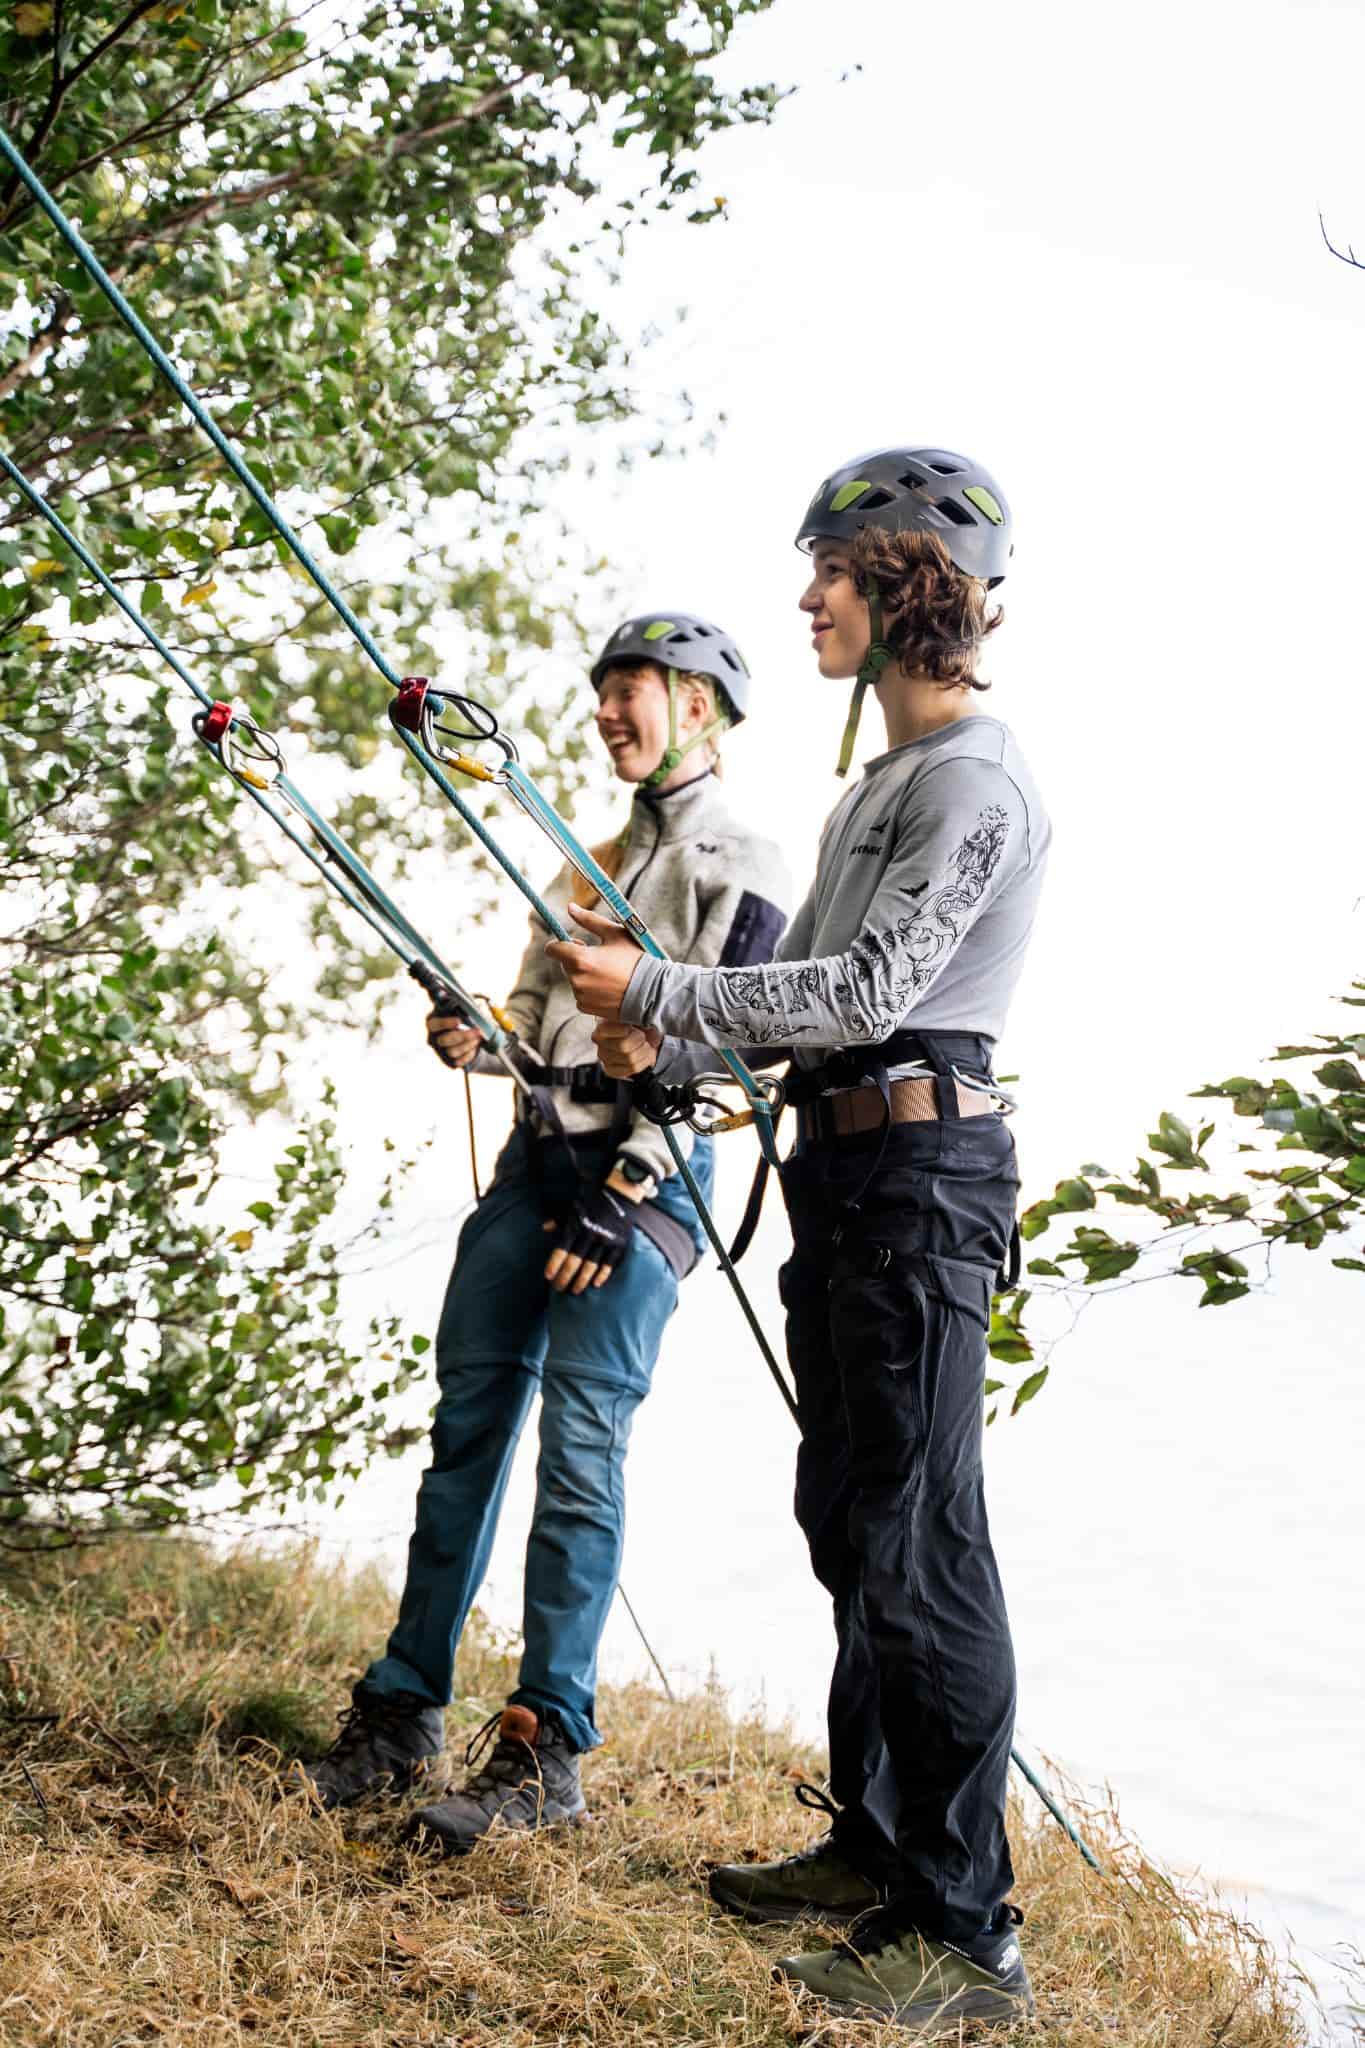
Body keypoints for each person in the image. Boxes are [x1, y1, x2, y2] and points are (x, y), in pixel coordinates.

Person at [547, 449, 1050, 2034]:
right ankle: (877, 1848)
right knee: (849, 1523)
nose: (806, 597)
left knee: (921, 1546)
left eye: (830, 570)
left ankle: (965, 1943)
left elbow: (871, 993)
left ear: (908, 585)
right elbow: (795, 1018)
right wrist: (664, 1042)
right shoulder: (880, 788)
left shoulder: (975, 782)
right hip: (850, 1180)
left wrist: (661, 991)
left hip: (920, 1187)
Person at [295, 612, 787, 1853]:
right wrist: (477, 1036)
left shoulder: (746, 858)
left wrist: (624, 1190)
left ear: (701, 705)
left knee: (579, 1451)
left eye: (634, 688)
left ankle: (543, 1746)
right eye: (603, 690)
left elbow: (728, 1051)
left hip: (642, 1185)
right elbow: (528, 1028)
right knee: (464, 1432)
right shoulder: (583, 860)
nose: (609, 710)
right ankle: (402, 1709)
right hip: (536, 1166)